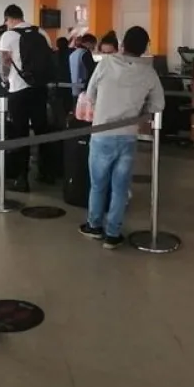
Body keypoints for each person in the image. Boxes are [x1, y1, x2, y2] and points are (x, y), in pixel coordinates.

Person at [79, 27, 164, 249]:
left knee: (98, 185)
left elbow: (89, 94)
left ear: (122, 44)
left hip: (102, 134)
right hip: (127, 136)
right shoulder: (148, 72)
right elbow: (158, 105)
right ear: (145, 48)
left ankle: (94, 225)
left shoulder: (105, 64)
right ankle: (113, 234)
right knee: (120, 186)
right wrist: (140, 108)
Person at [0, 4, 56, 189]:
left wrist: (4, 81)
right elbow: (50, 58)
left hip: (19, 90)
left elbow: (5, 64)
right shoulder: (41, 32)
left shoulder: (9, 35)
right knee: (42, 130)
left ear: (9, 19)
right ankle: (47, 173)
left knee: (20, 133)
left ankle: (21, 178)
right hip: (40, 89)